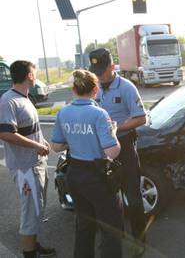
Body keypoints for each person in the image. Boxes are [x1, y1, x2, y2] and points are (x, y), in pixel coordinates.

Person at [50, 70, 123, 258]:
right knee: (110, 228)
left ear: (74, 90)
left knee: (84, 226)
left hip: (74, 174)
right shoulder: (99, 114)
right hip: (97, 177)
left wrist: (74, 139)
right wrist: (112, 131)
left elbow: (56, 146)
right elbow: (112, 152)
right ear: (95, 90)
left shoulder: (63, 112)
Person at [88, 48, 148, 244]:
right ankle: (114, 238)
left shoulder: (127, 87)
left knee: (132, 193)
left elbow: (141, 118)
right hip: (101, 149)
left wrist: (116, 127)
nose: (98, 75)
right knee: (107, 196)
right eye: (95, 70)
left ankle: (139, 238)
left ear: (112, 66)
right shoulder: (93, 87)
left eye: (102, 70)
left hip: (124, 144)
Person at [0, 60, 56, 258]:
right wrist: (37, 146)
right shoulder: (9, 101)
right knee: (30, 211)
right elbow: (5, 134)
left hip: (36, 163)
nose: (35, 75)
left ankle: (34, 244)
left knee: (37, 207)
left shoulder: (25, 98)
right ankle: (29, 252)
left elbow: (31, 130)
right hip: (25, 167)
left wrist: (43, 143)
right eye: (34, 72)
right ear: (29, 76)